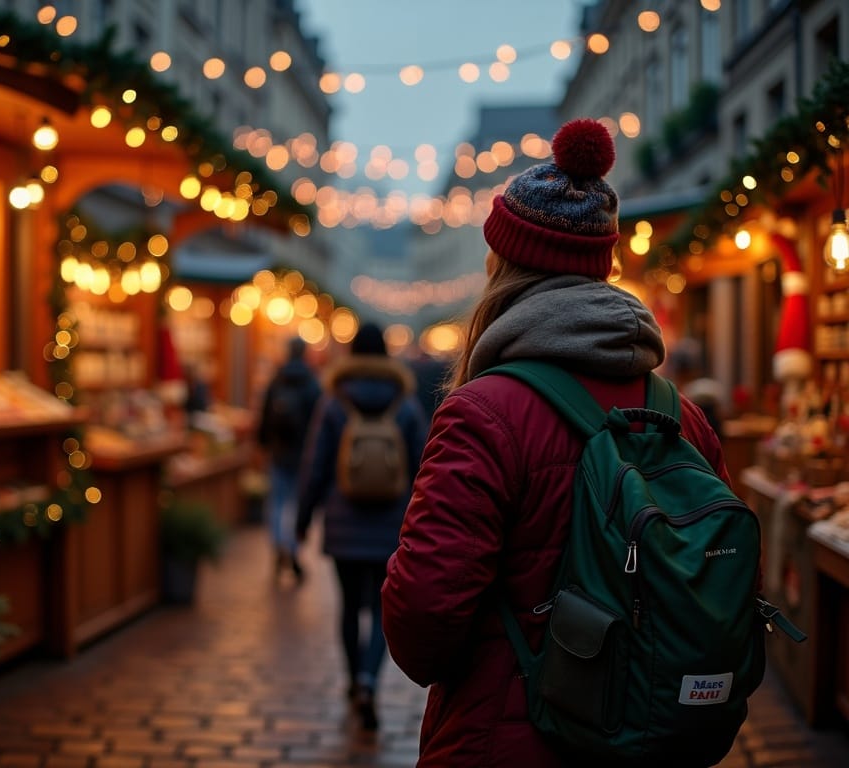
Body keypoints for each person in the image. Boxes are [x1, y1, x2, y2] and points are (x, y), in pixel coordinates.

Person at [381, 119, 732, 766]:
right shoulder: (681, 414)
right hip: (653, 736)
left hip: (507, 737)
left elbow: (422, 623)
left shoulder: (482, 414)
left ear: (503, 266)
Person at [296, 322, 428, 731]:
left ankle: (354, 681)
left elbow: (316, 464)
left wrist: (303, 517)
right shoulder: (404, 403)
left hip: (343, 522)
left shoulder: (335, 400)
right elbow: (424, 465)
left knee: (350, 607)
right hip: (390, 525)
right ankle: (370, 679)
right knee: (384, 608)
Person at [256, 336, 321, 583]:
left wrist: (263, 443)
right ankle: (292, 548)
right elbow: (318, 422)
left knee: (277, 502)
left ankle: (278, 546)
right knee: (296, 505)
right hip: (303, 455)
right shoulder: (312, 383)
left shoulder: (277, 380)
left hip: (279, 452)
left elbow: (264, 416)